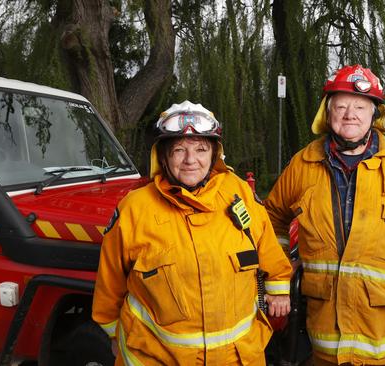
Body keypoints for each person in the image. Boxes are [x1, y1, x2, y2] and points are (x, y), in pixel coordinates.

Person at [265, 65, 385, 366]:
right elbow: (271, 219)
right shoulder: (303, 164)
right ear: (328, 112)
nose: (350, 114)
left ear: (375, 114)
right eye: (341, 106)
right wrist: (283, 266)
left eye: (360, 106)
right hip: (325, 337)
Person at [92, 100, 292, 365]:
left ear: (214, 154)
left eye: (200, 149)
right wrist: (115, 338)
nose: (190, 160)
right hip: (159, 359)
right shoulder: (134, 209)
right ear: (163, 156)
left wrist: (279, 288)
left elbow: (267, 245)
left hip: (239, 357)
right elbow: (110, 286)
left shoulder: (238, 192)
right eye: (179, 150)